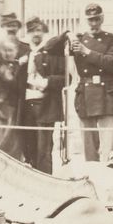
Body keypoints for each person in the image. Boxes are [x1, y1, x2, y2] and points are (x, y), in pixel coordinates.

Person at [70, 3, 113, 161]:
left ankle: (111, 178)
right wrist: (67, 34)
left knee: (110, 148)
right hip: (86, 94)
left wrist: (87, 52)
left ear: (102, 19)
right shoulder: (79, 40)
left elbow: (111, 62)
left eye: (96, 19)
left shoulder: (111, 39)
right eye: (90, 20)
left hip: (107, 93)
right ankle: (92, 176)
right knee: (89, 147)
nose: (93, 24)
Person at [19, 18, 68, 174]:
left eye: (39, 30)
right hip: (26, 105)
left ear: (44, 32)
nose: (35, 34)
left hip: (45, 105)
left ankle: (46, 180)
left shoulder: (53, 53)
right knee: (28, 147)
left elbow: (67, 78)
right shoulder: (24, 53)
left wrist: (47, 82)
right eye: (32, 30)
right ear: (28, 33)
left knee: (44, 150)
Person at [0, 13, 30, 158]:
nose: (11, 29)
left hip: (20, 99)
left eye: (14, 26)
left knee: (16, 139)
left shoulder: (25, 48)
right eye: (8, 27)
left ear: (18, 28)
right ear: (3, 28)